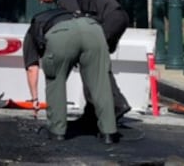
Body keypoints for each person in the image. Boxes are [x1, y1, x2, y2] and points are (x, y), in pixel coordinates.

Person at [31, 0, 131, 127]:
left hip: (109, 19)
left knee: (93, 62)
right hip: (116, 17)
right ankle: (92, 112)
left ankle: (117, 104)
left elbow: (75, 18)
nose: (41, 2)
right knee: (90, 62)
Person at [22, 8, 119, 144]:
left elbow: (32, 68)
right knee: (100, 82)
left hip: (61, 35)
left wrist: (35, 99)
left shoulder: (33, 30)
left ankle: (57, 131)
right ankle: (109, 132)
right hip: (92, 29)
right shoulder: (68, 14)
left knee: (55, 81)